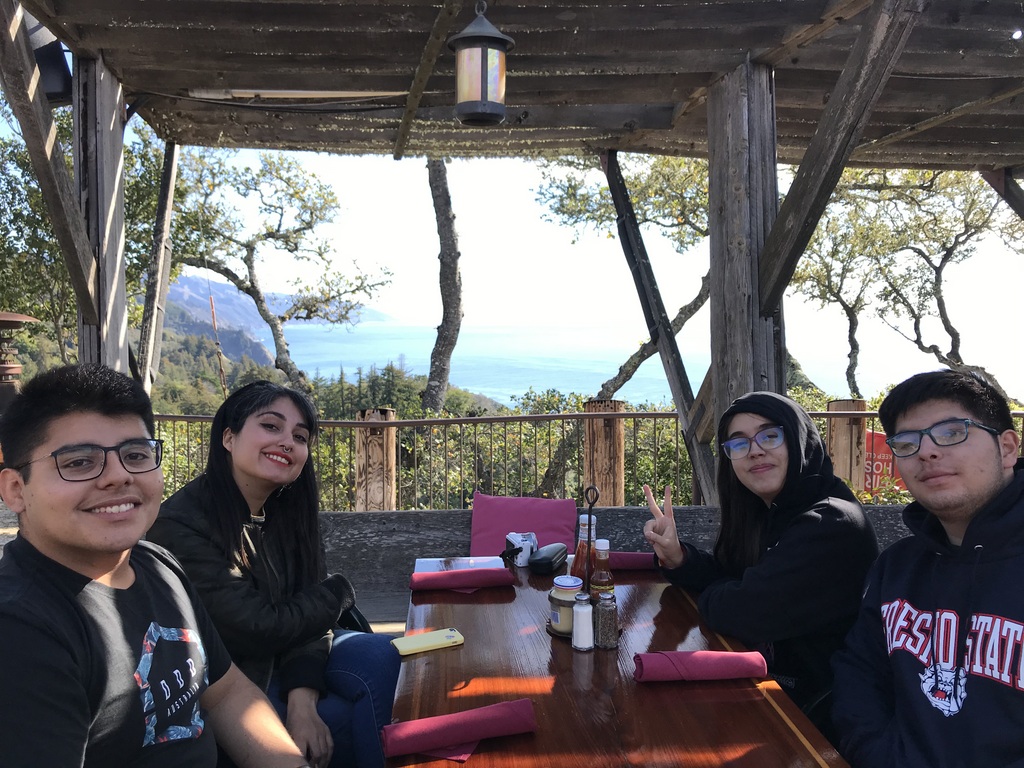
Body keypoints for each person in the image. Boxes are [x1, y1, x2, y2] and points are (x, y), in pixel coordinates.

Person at [0, 363, 309, 768]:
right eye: (78, 462)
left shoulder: (158, 566)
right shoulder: (20, 629)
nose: (118, 476)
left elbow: (227, 694)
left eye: (135, 455)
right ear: (15, 489)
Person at [147, 381, 401, 768]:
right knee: (344, 719)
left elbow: (309, 616)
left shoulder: (286, 512)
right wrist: (338, 593)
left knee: (387, 657)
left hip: (289, 659)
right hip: (232, 682)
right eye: (271, 426)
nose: (287, 442)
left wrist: (303, 699)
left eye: (299, 436)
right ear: (228, 438)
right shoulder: (182, 524)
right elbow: (258, 627)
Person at [643, 391, 878, 723]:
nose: (755, 450)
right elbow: (735, 580)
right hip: (770, 690)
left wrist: (735, 592)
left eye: (770, 436)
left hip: (817, 720)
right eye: (739, 443)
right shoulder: (771, 512)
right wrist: (679, 557)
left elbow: (743, 610)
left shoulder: (830, 523)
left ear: (798, 440)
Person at [831, 370, 1024, 767]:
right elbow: (860, 674)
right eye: (907, 442)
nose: (927, 452)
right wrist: (876, 753)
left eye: (952, 432)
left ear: (1006, 448)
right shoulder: (896, 568)